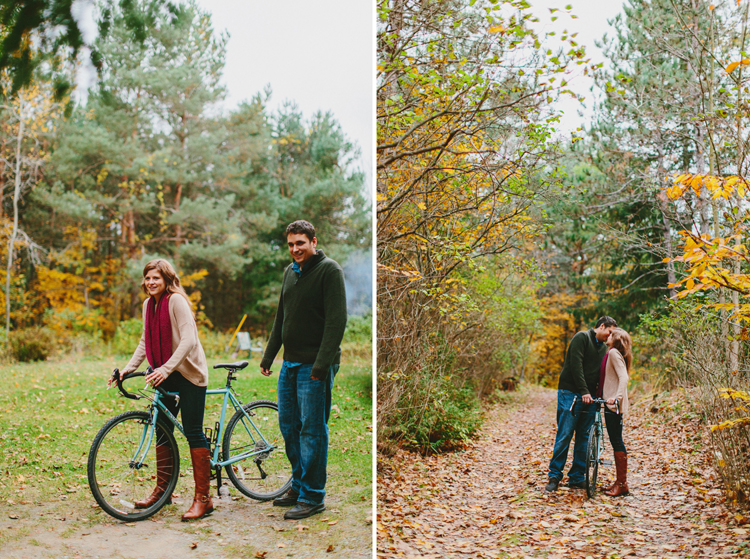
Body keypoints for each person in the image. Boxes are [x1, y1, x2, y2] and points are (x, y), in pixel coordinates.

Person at [111, 258, 213, 521]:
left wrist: (166, 368)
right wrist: (126, 369)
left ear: (167, 279)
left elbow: (190, 339)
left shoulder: (177, 301)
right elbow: (145, 342)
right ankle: (163, 491)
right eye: (147, 278)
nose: (151, 282)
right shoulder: (148, 305)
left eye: (156, 277)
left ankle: (204, 499)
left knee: (192, 431)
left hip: (189, 375)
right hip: (164, 374)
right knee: (162, 432)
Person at [260, 220, 347, 520]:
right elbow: (281, 318)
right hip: (290, 362)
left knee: (312, 430)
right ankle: (298, 485)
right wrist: (269, 356)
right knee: (289, 426)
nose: (295, 249)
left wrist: (321, 366)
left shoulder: (329, 271)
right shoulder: (289, 272)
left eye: (300, 243)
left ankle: (313, 496)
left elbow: (337, 322)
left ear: (313, 241)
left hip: (315, 365)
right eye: (291, 244)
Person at [545, 316, 618, 493]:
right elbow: (575, 365)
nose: (610, 337)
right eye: (609, 332)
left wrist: (602, 395)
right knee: (565, 434)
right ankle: (554, 476)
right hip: (571, 392)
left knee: (584, 437)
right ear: (601, 326)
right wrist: (584, 391)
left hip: (591, 397)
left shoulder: (605, 349)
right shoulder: (582, 337)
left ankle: (577, 477)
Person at [599, 327, 632, 497]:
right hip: (611, 404)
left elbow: (624, 377)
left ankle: (622, 484)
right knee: (615, 441)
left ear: (616, 338)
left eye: (611, 334)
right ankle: (619, 482)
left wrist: (616, 398)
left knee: (617, 441)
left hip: (614, 405)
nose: (608, 335)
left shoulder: (613, 353)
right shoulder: (612, 353)